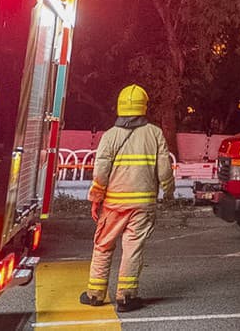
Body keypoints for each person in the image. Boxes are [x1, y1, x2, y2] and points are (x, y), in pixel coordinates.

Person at [80, 84, 174, 312]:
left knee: (103, 246)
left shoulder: (110, 136)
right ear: (144, 107)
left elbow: (100, 172)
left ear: (120, 107)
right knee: (132, 248)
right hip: (143, 205)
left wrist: (96, 199)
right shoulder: (155, 133)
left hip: (113, 204)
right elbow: (164, 171)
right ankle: (126, 297)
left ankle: (95, 294)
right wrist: (168, 192)